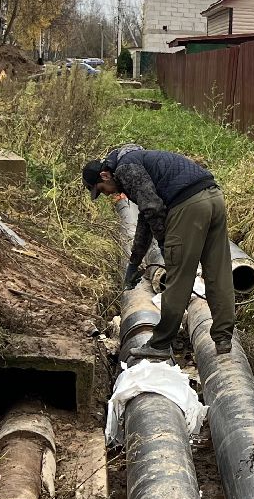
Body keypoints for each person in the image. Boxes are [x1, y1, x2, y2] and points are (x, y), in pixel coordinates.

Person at [83, 143, 235, 360]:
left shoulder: (126, 168)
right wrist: (135, 263)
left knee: (179, 278)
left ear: (105, 176)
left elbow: (152, 208)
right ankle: (223, 338)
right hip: (214, 198)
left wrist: (165, 241)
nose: (107, 195)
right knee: (218, 272)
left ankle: (161, 344)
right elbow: (146, 218)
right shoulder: (139, 160)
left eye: (101, 190)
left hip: (188, 205)